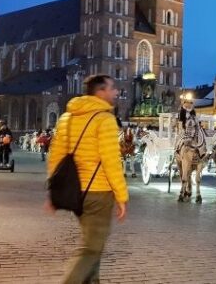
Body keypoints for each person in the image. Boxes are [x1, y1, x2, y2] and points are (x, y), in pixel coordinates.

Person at [47, 74, 128, 284]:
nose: (116, 92)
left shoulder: (67, 117)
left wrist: (55, 191)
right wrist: (121, 196)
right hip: (98, 192)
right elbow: (111, 161)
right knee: (91, 249)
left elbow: (56, 156)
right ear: (100, 92)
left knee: (93, 244)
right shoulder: (105, 119)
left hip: (75, 192)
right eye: (112, 88)